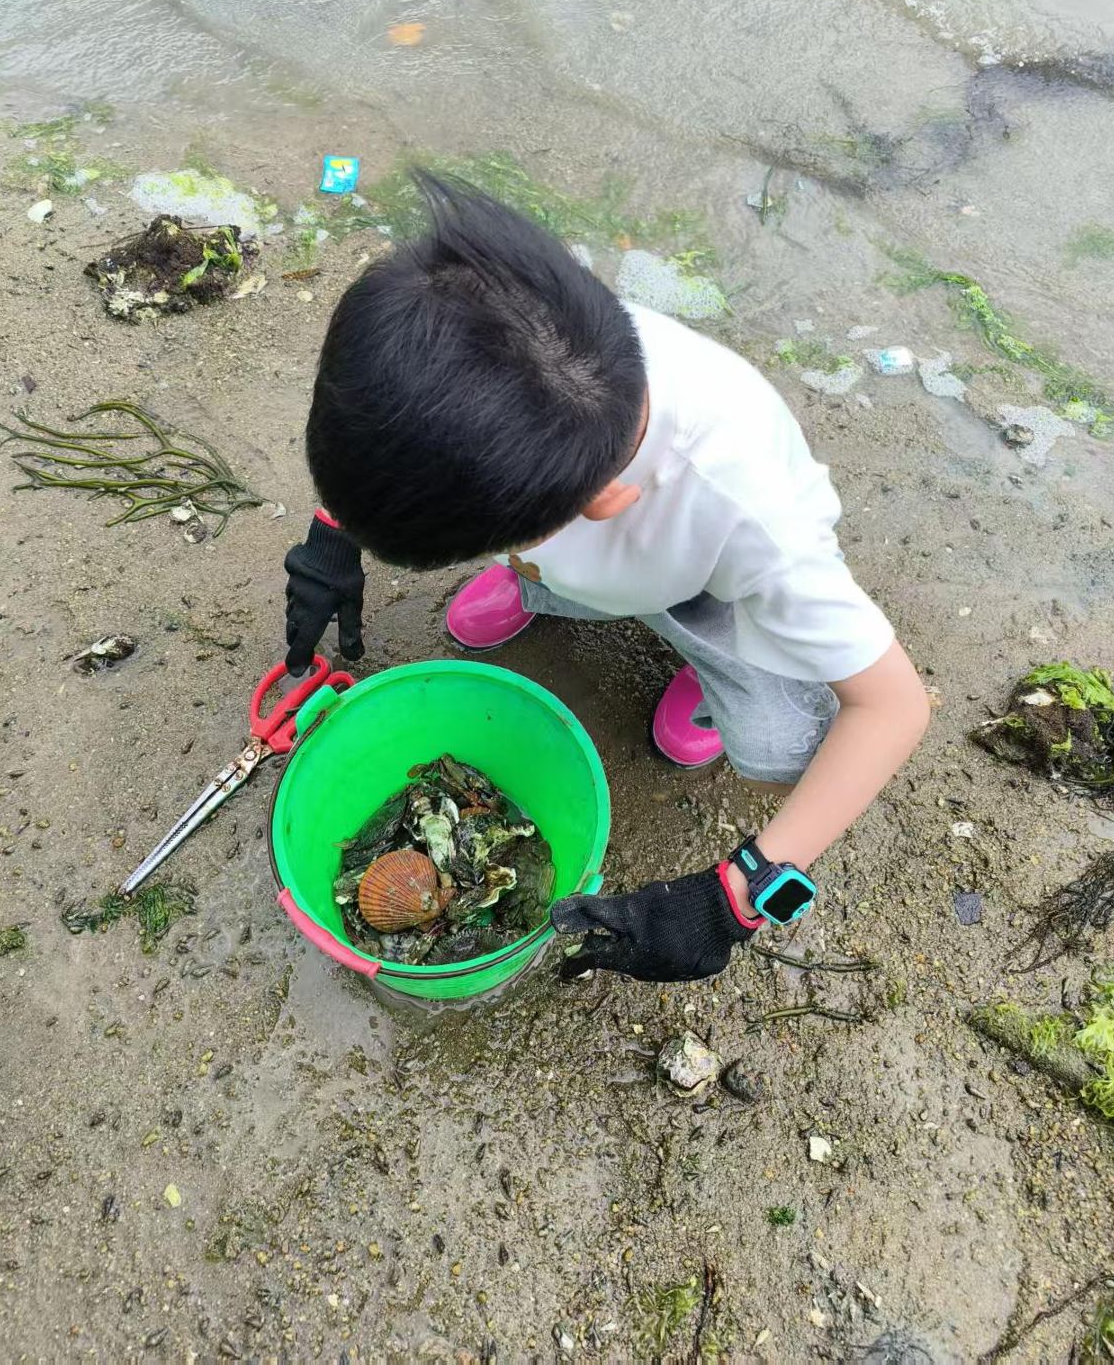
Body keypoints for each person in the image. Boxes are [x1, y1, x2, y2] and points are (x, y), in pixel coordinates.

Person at [283, 174, 930, 984]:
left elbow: (895, 705)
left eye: (492, 540)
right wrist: (336, 532)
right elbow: (386, 416)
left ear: (600, 505)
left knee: (778, 743)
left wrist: (742, 890)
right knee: (526, 557)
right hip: (583, 552)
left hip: (707, 583)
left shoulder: (752, 518)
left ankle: (690, 651)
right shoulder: (496, 312)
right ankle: (540, 585)